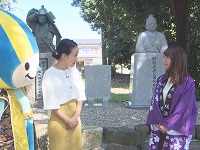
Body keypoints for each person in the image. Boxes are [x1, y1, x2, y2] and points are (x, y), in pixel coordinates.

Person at [146, 46, 198, 149]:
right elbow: (155, 103)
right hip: (159, 125)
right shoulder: (161, 79)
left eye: (168, 57)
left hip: (176, 129)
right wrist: (159, 122)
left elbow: (183, 107)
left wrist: (167, 125)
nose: (164, 60)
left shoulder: (188, 82)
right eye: (164, 57)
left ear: (177, 60)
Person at [42, 39, 86, 150]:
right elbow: (51, 104)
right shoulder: (49, 75)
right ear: (64, 55)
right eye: (75, 55)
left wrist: (75, 118)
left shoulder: (75, 72)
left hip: (75, 120)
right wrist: (68, 120)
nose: (77, 59)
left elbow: (80, 96)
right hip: (58, 120)